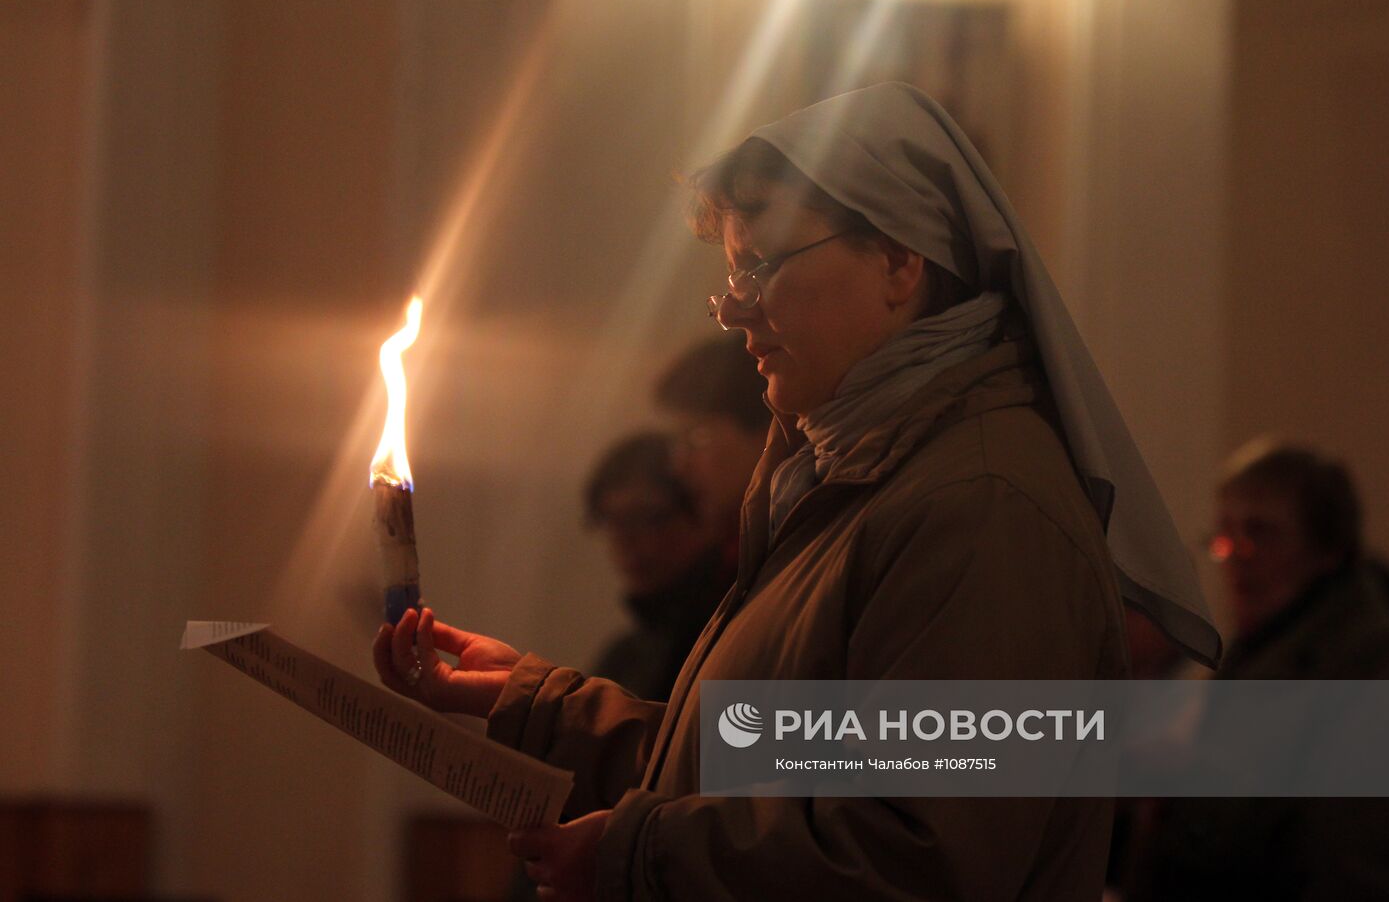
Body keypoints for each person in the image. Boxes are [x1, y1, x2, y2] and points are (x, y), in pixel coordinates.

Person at [373, 83, 1219, 901]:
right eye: (730, 277)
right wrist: (535, 703)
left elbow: (920, 854)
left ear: (897, 260)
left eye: (765, 266)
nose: (735, 311)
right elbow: (763, 762)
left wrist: (639, 859)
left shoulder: (982, 505)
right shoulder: (851, 475)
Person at [1123, 439, 1389, 901]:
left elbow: (1351, 863)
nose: (1234, 554)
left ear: (1328, 549)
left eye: (1261, 532)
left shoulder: (1371, 668)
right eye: (1224, 534)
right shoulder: (1269, 643)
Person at [583, 431, 727, 702]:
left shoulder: (733, 634)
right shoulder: (625, 658)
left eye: (648, 518)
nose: (626, 540)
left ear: (704, 508)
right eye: (613, 521)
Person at [653, 335, 769, 572]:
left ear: (766, 431)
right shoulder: (737, 554)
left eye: (698, 437)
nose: (679, 465)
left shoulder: (796, 546)